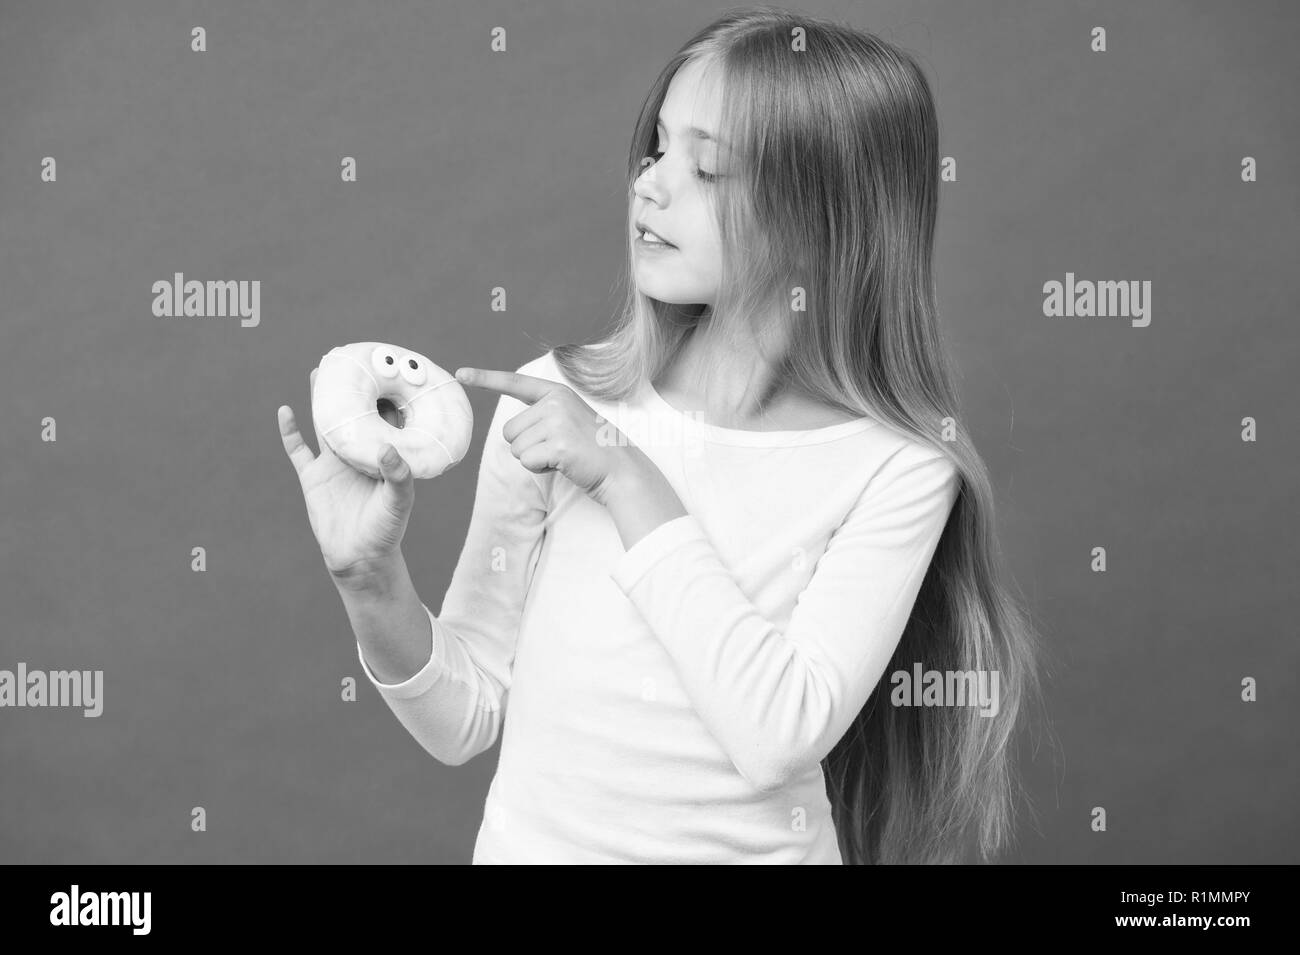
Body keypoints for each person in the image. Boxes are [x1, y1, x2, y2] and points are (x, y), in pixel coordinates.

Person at [277, 7, 1044, 864]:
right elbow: (466, 716)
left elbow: (777, 732)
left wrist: (625, 477)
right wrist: (369, 582)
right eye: (657, 148)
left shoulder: (897, 468)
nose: (649, 183)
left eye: (706, 166)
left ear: (824, 218)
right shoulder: (555, 400)